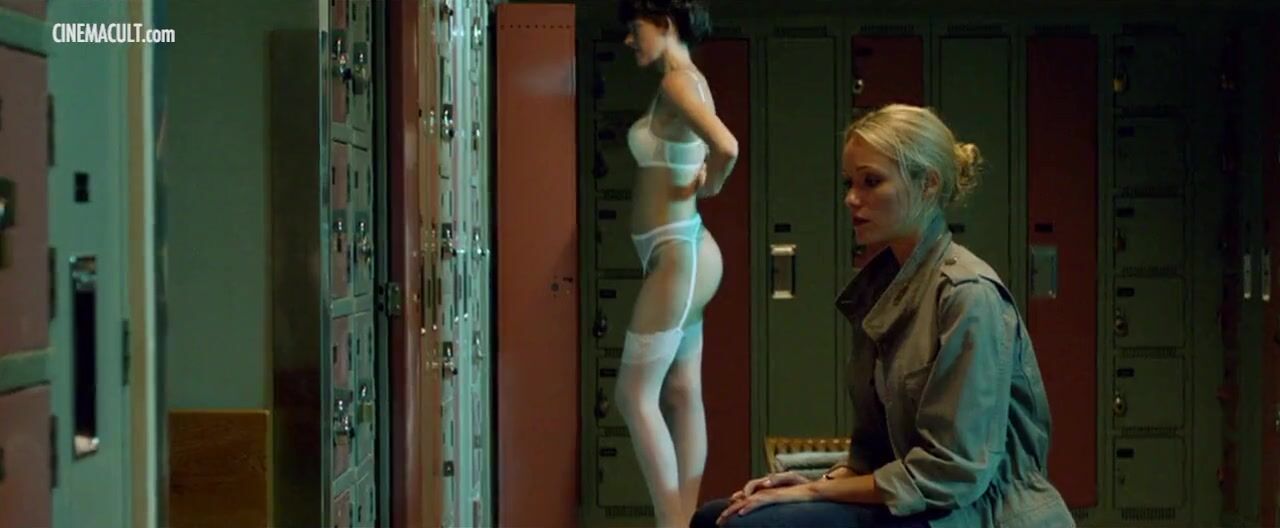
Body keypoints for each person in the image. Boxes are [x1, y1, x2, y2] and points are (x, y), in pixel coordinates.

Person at [691, 104, 1074, 527]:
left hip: (972, 512)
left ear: (928, 184)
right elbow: (875, 454)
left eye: (871, 181)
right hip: (914, 502)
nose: (851, 198)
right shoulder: (886, 287)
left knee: (749, 526)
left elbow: (952, 473)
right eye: (849, 183)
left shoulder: (968, 295)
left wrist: (814, 491)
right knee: (713, 517)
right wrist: (817, 480)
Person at [612, 1, 739, 527]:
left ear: (664, 23)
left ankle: (674, 524)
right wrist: (709, 178)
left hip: (679, 253)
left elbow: (726, 145)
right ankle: (685, 519)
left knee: (633, 395)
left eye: (634, 29)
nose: (629, 40)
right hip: (681, 252)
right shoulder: (688, 81)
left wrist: (712, 184)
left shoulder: (678, 83)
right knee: (683, 392)